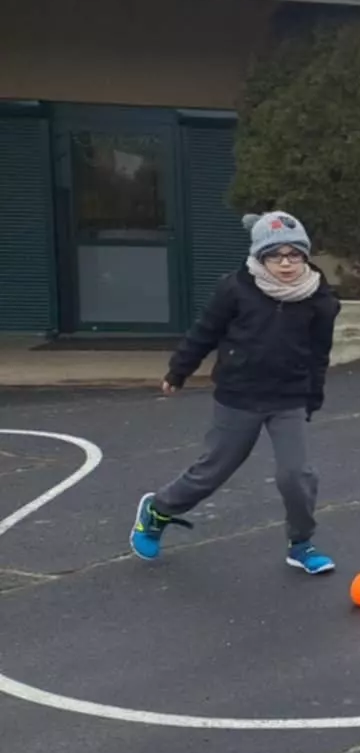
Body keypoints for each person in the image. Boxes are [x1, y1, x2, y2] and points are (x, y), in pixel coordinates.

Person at [131, 211, 342, 574]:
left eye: (295, 254)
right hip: (239, 395)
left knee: (296, 475)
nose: (286, 264)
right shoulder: (235, 289)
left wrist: (313, 396)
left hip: (287, 397)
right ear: (260, 256)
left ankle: (301, 543)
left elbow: (319, 353)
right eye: (276, 255)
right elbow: (205, 331)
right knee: (212, 471)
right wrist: (179, 371)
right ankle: (158, 510)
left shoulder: (319, 299)